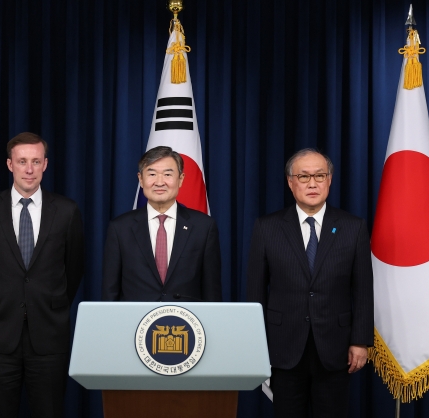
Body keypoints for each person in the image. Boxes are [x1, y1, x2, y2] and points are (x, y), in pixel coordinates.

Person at [0, 132, 84, 418]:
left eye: (35, 161)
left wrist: (49, 305)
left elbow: (75, 268)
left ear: (45, 164)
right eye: (22, 162)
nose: (29, 169)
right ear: (10, 165)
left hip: (49, 337)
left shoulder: (67, 211)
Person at [246, 148, 373, 417]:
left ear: (330, 180)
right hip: (283, 348)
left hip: (336, 348)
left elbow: (362, 289)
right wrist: (257, 345)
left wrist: (361, 341)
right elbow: (255, 292)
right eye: (303, 177)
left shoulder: (353, 227)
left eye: (319, 175)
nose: (312, 183)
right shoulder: (267, 227)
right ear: (291, 183)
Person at [102, 146, 222, 302]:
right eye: (152, 174)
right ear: (141, 179)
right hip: (135, 323)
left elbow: (211, 291)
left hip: (185, 323)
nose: (159, 182)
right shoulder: (120, 228)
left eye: (167, 174)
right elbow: (110, 291)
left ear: (181, 179)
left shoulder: (204, 227)